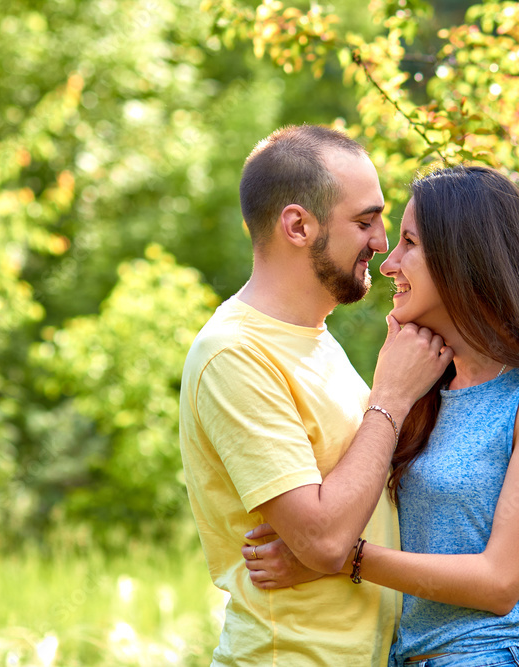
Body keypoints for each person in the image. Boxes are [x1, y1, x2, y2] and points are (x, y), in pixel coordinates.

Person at [244, 165, 519, 666]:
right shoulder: (423, 391)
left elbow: (500, 583)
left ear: (465, 257)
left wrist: (342, 558)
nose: (389, 263)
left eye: (410, 243)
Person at [178, 125, 455, 666]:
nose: (380, 243)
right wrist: (391, 399)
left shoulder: (314, 339)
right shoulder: (235, 353)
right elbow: (325, 539)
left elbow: (344, 526)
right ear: (298, 225)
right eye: (364, 221)